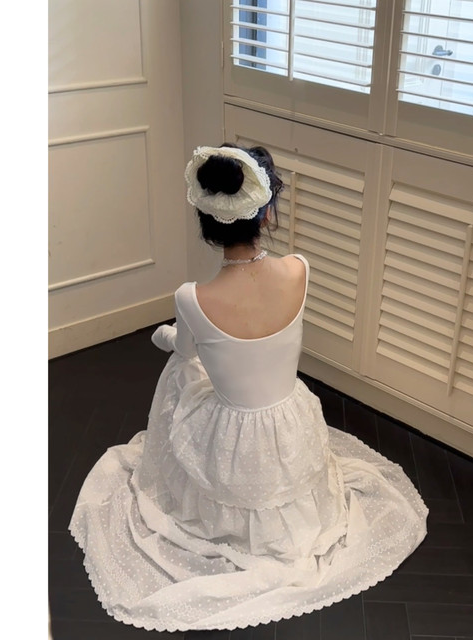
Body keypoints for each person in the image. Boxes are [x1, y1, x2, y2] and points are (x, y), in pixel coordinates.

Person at [69, 143, 428, 632]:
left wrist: (163, 335)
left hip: (231, 438)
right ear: (267, 212)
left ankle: (219, 512)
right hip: (288, 424)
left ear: (207, 225)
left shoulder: (192, 298)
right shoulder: (299, 269)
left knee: (179, 371)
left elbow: (187, 352)